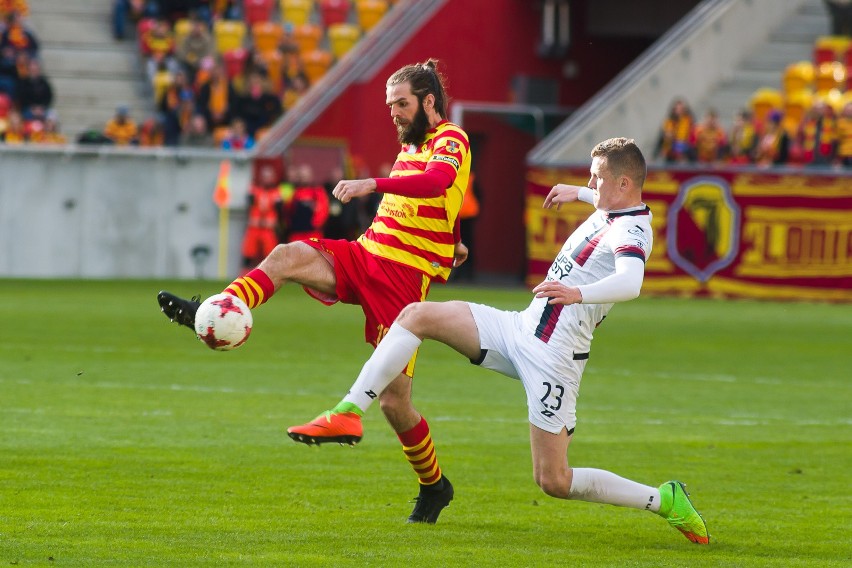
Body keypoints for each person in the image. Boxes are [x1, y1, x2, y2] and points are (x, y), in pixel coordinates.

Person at [288, 137, 710, 545]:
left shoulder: (632, 230)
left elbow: (631, 281)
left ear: (624, 184)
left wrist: (577, 293)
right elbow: (604, 199)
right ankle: (348, 410)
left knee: (553, 480)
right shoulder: (611, 205)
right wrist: (578, 191)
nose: (592, 183)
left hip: (555, 359)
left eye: (597, 177)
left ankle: (663, 499)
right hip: (519, 329)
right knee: (416, 316)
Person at [157, 59, 472, 524]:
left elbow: (440, 182)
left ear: (429, 101)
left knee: (393, 401)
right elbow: (442, 197)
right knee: (287, 255)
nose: (395, 114)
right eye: (389, 106)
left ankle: (434, 485)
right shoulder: (412, 144)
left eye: (401, 104)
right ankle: (219, 307)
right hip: (366, 255)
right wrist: (453, 239)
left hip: (401, 281)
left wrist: (374, 183)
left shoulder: (452, 138)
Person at [240, 163, 285, 272]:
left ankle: (270, 276)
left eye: (269, 176)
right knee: (248, 254)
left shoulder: (276, 191)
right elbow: (249, 201)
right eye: (265, 176)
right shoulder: (255, 189)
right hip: (254, 227)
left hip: (268, 229)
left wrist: (280, 224)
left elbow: (280, 209)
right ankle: (243, 276)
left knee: (271, 255)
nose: (267, 179)